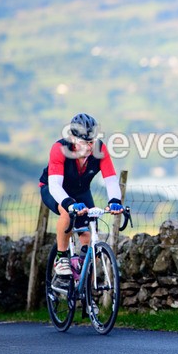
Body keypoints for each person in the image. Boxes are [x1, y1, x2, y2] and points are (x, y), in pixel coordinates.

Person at [39, 113, 123, 282]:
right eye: (85, 142)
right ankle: (61, 257)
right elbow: (55, 185)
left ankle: (86, 294)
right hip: (54, 189)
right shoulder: (59, 149)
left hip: (81, 191)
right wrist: (69, 204)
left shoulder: (100, 150)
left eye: (92, 141)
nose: (90, 146)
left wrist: (115, 201)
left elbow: (111, 180)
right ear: (73, 139)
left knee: (89, 238)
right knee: (67, 211)